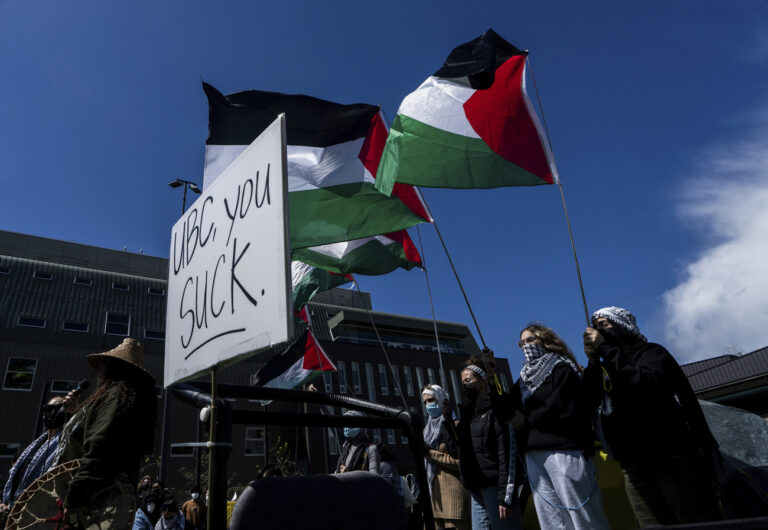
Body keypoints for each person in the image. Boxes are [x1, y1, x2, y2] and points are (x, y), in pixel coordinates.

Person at [582, 306, 723, 527]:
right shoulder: (602, 366)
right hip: (632, 463)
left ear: (622, 326)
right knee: (650, 522)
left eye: (605, 325)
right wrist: (592, 362)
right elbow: (586, 401)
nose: (599, 331)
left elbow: (643, 383)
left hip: (669, 454)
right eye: (596, 327)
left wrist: (607, 351)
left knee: (692, 517)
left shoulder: (651, 353)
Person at [53, 338, 158, 525]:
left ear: (113, 367)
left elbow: (102, 448)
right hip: (80, 500)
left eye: (105, 364)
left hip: (88, 506)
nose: (100, 370)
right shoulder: (108, 399)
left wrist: (76, 496)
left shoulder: (117, 397)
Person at [514, 324, 609, 530]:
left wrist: (527, 420)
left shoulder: (562, 367)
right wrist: (489, 374)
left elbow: (560, 406)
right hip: (535, 455)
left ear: (545, 341)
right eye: (522, 343)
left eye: (531, 340)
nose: (526, 346)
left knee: (583, 517)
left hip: (565, 450)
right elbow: (507, 410)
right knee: (552, 520)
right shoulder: (523, 379)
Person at [457, 357, 520, 530]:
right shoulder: (467, 415)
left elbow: (506, 453)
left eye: (468, 381)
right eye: (462, 382)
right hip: (476, 487)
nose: (465, 386)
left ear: (483, 382)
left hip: (495, 487)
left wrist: (505, 496)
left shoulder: (496, 409)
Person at [0, 396, 69, 512]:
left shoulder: (66, 446)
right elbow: (14, 478)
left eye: (57, 409)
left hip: (36, 512)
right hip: (10, 508)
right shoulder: (31, 449)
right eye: (48, 409)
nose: (51, 413)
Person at [422, 384, 469, 530]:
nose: (428, 405)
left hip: (453, 497)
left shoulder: (454, 424)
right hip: (434, 500)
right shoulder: (426, 431)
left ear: (442, 399)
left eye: (431, 400)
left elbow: (461, 461)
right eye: (425, 402)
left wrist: (429, 453)